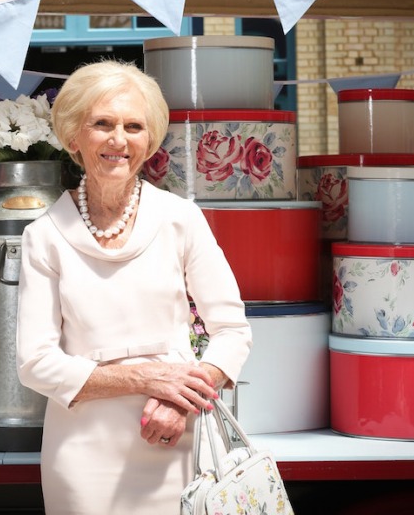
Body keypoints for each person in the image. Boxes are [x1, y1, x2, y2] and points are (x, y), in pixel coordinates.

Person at [16, 60, 252, 515]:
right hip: (83, 454)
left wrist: (183, 401)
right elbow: (35, 362)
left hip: (179, 439)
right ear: (72, 137)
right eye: (101, 124)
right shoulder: (42, 235)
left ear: (150, 141)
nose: (118, 140)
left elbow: (232, 331)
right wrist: (145, 377)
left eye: (133, 126)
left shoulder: (181, 219)